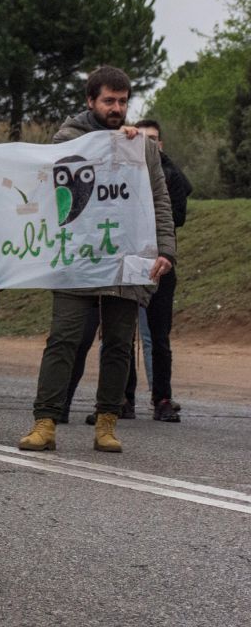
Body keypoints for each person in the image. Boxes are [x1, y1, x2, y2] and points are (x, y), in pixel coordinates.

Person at [19, 66, 175, 454]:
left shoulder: (142, 147)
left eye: (122, 101)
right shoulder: (67, 139)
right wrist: (107, 144)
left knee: (120, 343)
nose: (116, 108)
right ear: (91, 101)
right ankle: (45, 422)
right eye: (109, 100)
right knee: (64, 339)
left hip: (127, 259)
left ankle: (107, 423)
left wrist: (166, 250)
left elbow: (160, 199)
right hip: (78, 259)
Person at [135, 119, 191, 422]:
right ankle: (121, 399)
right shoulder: (123, 173)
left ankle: (162, 397)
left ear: (161, 144)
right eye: (141, 138)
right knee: (118, 337)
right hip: (128, 263)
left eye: (153, 139)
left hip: (161, 264)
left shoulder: (171, 176)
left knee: (158, 336)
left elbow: (178, 216)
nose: (148, 143)